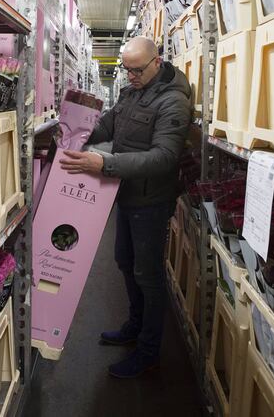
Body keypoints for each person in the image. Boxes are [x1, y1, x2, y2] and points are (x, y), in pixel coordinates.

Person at [59, 36, 191, 379]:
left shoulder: (174, 102)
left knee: (148, 276)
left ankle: (148, 352)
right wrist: (74, 136)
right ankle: (134, 326)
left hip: (150, 200)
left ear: (156, 63)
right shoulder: (132, 92)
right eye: (126, 69)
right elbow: (109, 124)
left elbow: (163, 158)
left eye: (136, 70)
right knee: (125, 262)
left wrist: (105, 164)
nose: (129, 75)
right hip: (126, 194)